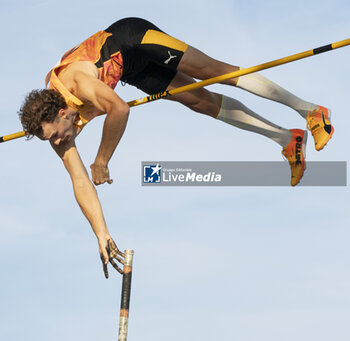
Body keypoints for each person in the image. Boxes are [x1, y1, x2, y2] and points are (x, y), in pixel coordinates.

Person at [18, 17, 334, 277]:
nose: (59, 142)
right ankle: (286, 138)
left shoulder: (80, 85)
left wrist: (102, 160)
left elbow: (119, 110)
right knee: (201, 102)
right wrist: (101, 233)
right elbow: (79, 181)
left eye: (57, 136)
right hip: (129, 70)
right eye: (52, 141)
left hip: (131, 39)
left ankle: (309, 110)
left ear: (62, 113)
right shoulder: (52, 127)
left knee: (214, 73)